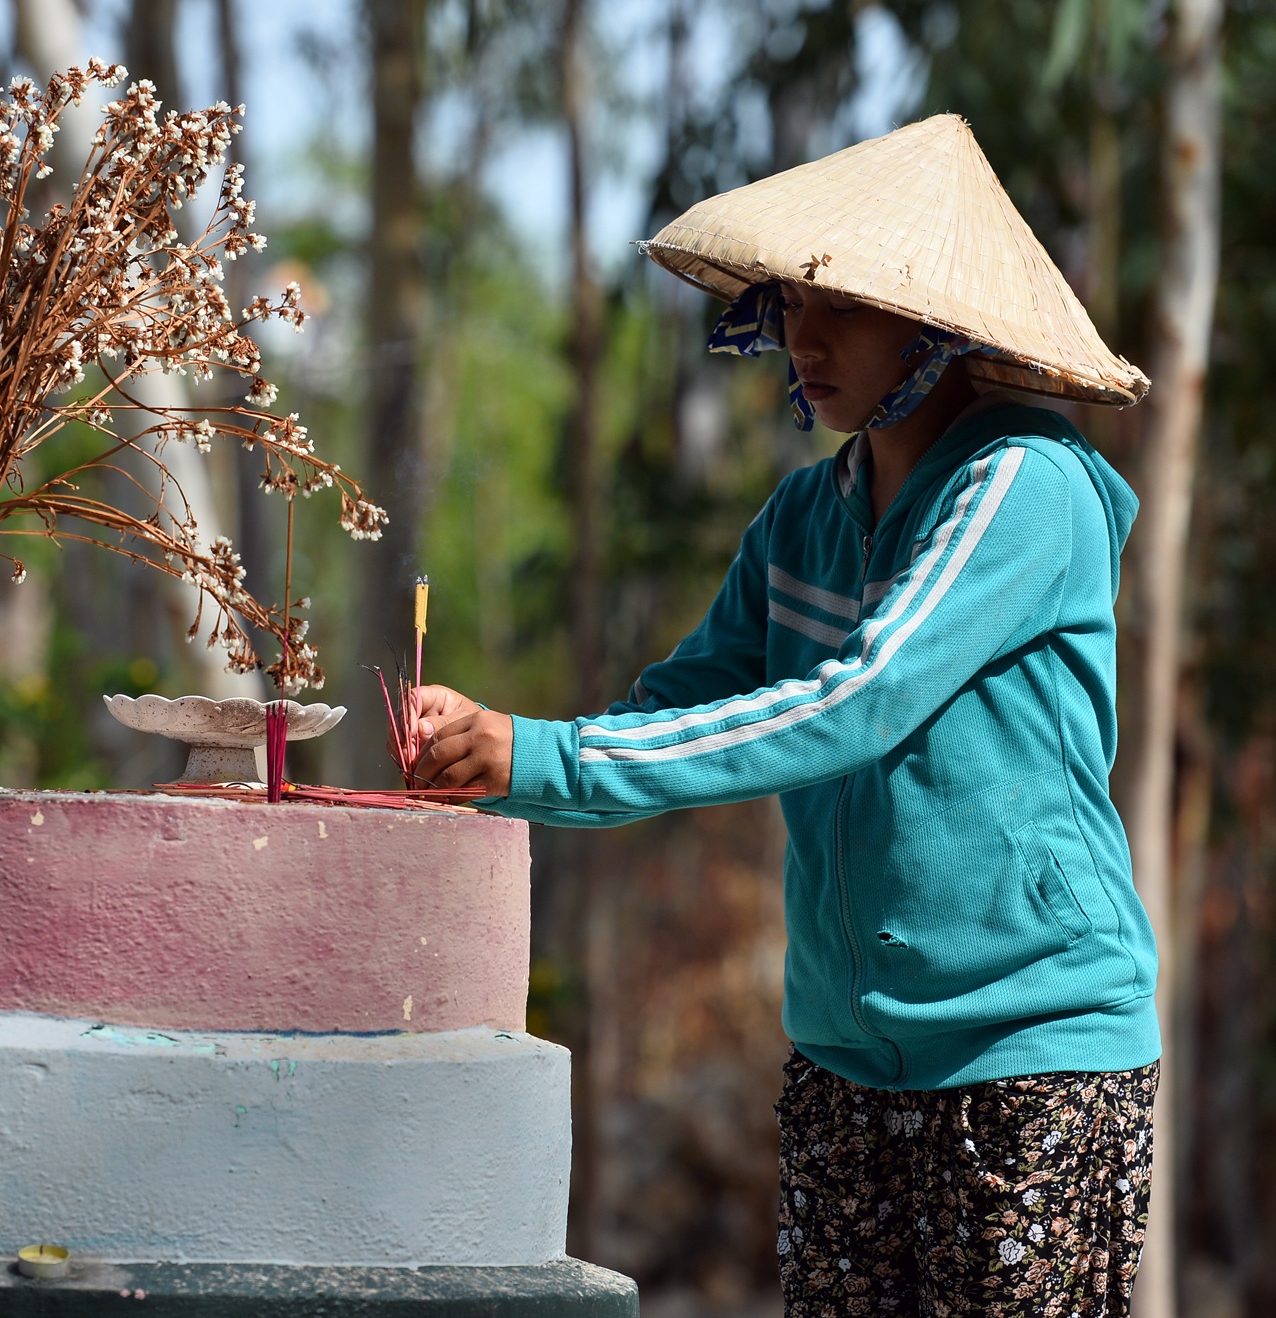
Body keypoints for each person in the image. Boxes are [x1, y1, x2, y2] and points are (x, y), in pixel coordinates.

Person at [410, 115, 1161, 1317]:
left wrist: (544, 751)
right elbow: (683, 709)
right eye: (790, 305)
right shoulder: (804, 518)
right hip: (839, 1054)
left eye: (846, 307)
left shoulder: (1024, 483)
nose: (803, 339)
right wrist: (496, 757)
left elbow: (855, 702)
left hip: (1034, 1051)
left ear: (938, 321)